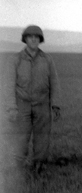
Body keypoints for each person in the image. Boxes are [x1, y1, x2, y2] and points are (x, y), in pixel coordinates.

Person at [5, 25, 61, 173]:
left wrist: (56, 105)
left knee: (42, 138)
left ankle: (39, 166)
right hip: (22, 105)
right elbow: (9, 85)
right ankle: (18, 167)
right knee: (21, 137)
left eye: (37, 37)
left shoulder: (47, 59)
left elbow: (54, 83)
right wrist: (12, 107)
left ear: (40, 40)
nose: (34, 39)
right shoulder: (15, 59)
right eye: (30, 37)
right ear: (25, 39)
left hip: (42, 104)